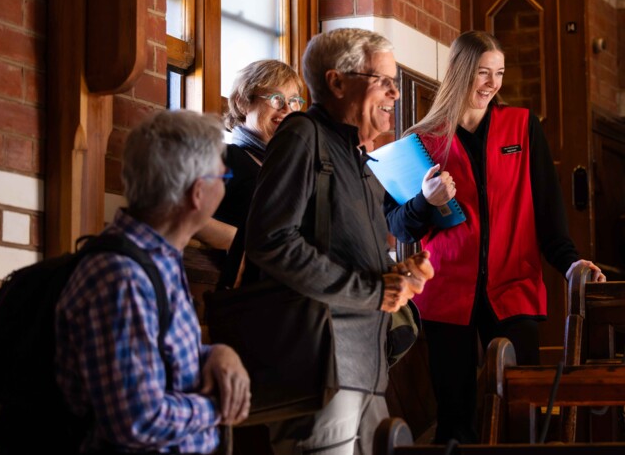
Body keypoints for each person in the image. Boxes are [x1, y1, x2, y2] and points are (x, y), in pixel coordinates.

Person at [384, 30, 605, 444]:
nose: (492, 84)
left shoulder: (523, 126)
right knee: (455, 417)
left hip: (514, 284)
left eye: (499, 73)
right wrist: (426, 202)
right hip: (446, 290)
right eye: (482, 73)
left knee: (524, 408)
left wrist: (571, 262)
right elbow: (399, 225)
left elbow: (547, 212)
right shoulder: (421, 141)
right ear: (457, 71)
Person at [245, 27, 434, 455]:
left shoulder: (358, 158)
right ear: (336, 82)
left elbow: (345, 256)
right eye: (382, 80)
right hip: (320, 369)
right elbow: (271, 240)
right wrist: (370, 290)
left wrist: (397, 277)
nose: (395, 93)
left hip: (365, 367)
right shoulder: (301, 136)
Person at [55, 110, 252, 454]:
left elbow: (160, 358)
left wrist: (216, 354)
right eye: (225, 177)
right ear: (197, 192)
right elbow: (137, 419)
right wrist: (218, 407)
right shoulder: (122, 278)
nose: (225, 185)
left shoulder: (159, 261)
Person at [194, 60, 304, 283]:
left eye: (294, 102)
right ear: (243, 103)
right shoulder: (224, 157)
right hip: (246, 297)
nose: (286, 109)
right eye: (276, 99)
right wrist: (241, 243)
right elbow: (183, 212)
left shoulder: (292, 168)